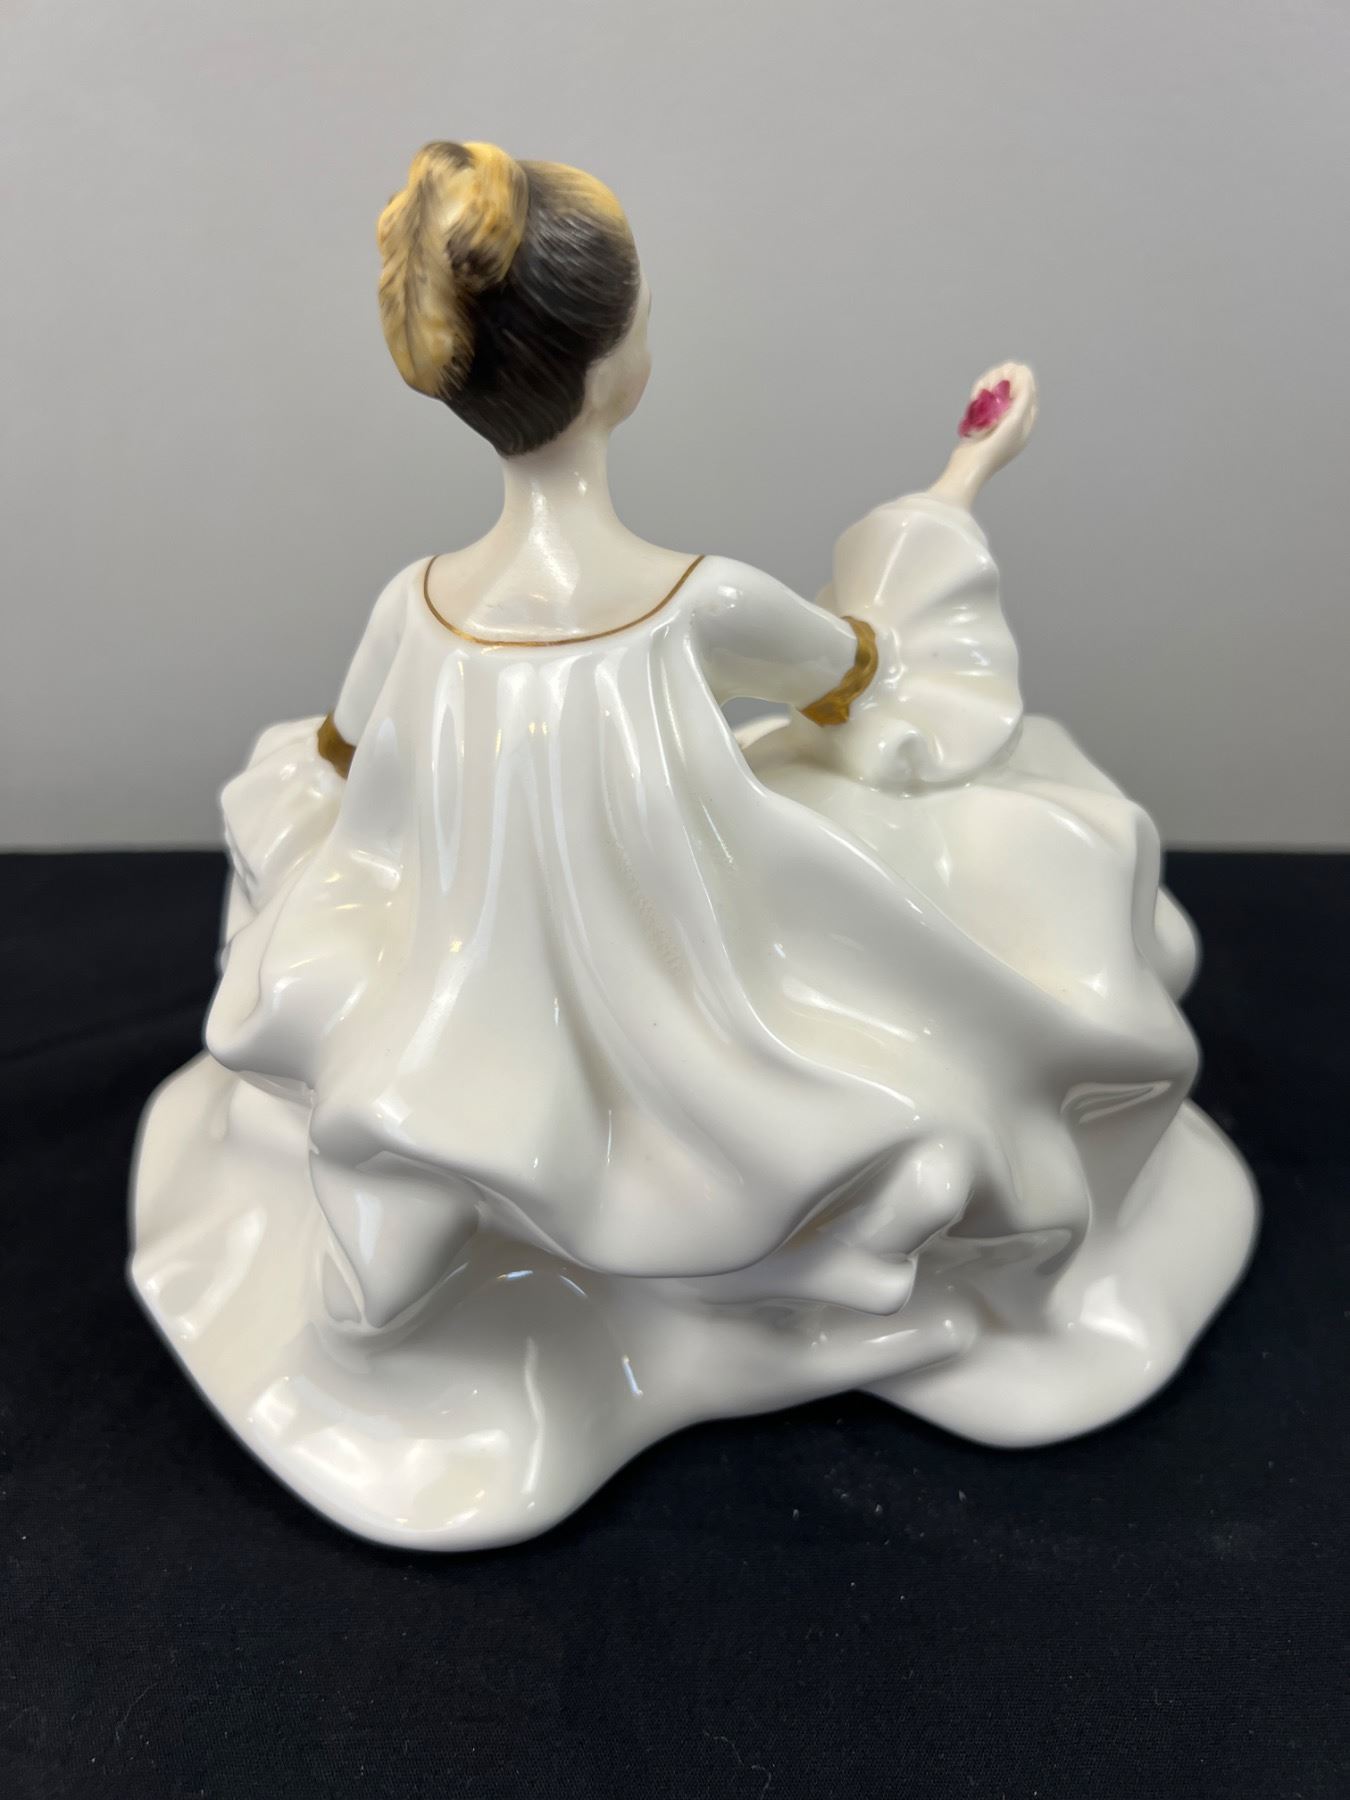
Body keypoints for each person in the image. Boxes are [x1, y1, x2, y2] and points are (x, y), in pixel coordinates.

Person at [132, 143, 1256, 1548]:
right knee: (1012, 849)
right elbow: (875, 679)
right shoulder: (701, 604)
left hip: (463, 1024)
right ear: (619, 366)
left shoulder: (411, 608)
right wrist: (960, 479)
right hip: (698, 1003)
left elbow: (345, 767)